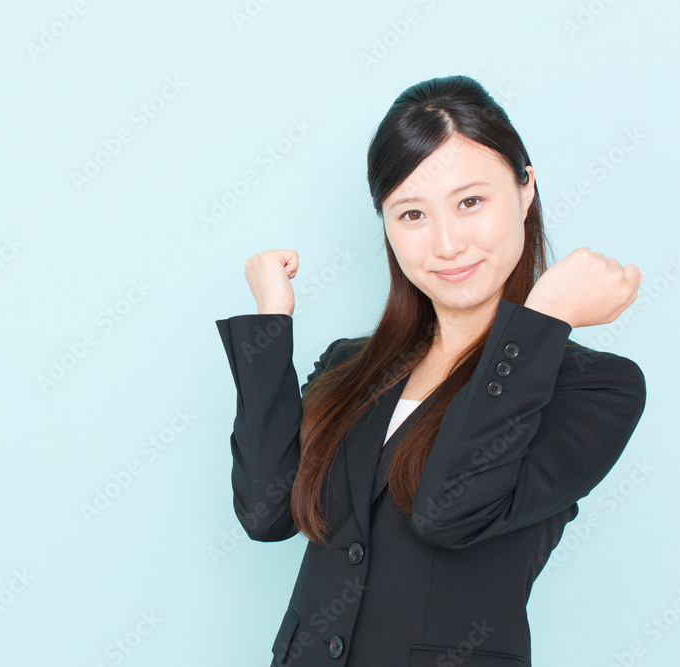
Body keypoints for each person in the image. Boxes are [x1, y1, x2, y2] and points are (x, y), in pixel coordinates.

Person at [214, 75, 647, 666]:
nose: (445, 244)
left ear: (525, 192)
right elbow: (266, 513)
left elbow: (448, 511)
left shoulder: (595, 388)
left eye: (471, 202)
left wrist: (543, 319)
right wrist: (271, 323)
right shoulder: (350, 366)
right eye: (411, 214)